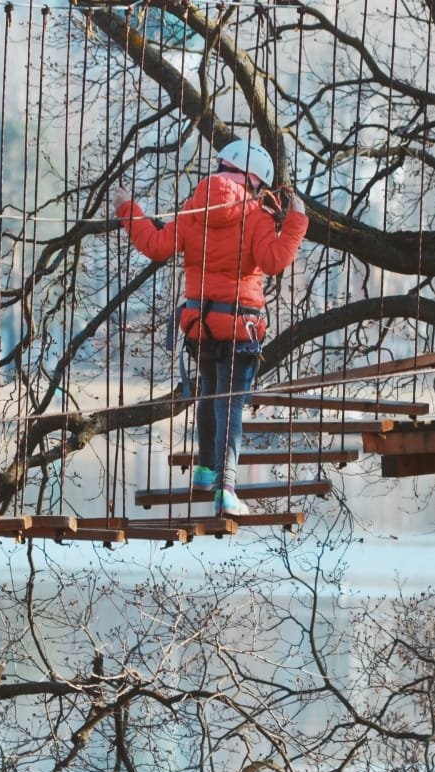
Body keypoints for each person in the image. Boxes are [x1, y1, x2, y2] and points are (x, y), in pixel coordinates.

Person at [112, 140, 309, 515]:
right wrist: (296, 220)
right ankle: (226, 486)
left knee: (209, 392)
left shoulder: (193, 209)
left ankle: (204, 469)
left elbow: (155, 244)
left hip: (200, 324)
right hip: (240, 325)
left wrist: (128, 210)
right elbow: (273, 261)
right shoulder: (256, 214)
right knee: (231, 402)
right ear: (253, 179)